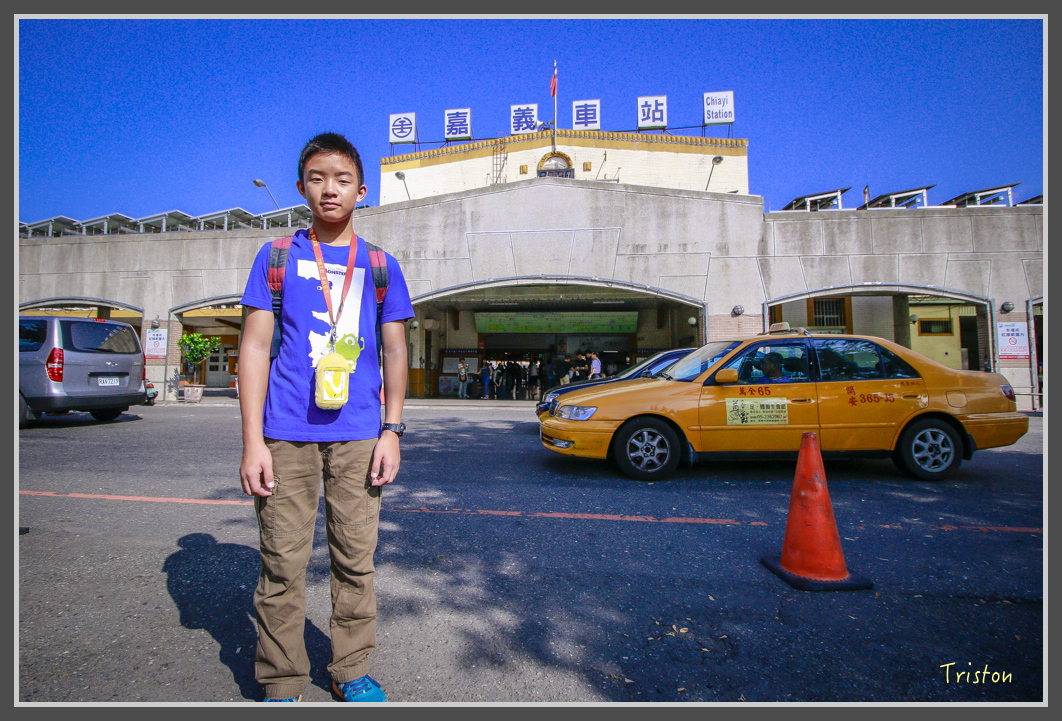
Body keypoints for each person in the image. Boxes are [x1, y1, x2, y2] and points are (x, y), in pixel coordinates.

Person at [238, 132, 414, 703]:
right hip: (285, 432)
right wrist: (252, 443)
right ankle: (282, 678)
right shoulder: (277, 258)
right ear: (301, 188)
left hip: (360, 434)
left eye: (342, 179)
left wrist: (392, 430)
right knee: (282, 562)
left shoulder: (380, 265)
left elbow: (395, 351)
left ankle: (350, 669)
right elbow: (254, 348)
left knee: (355, 559)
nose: (329, 189)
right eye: (317, 178)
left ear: (362, 191)